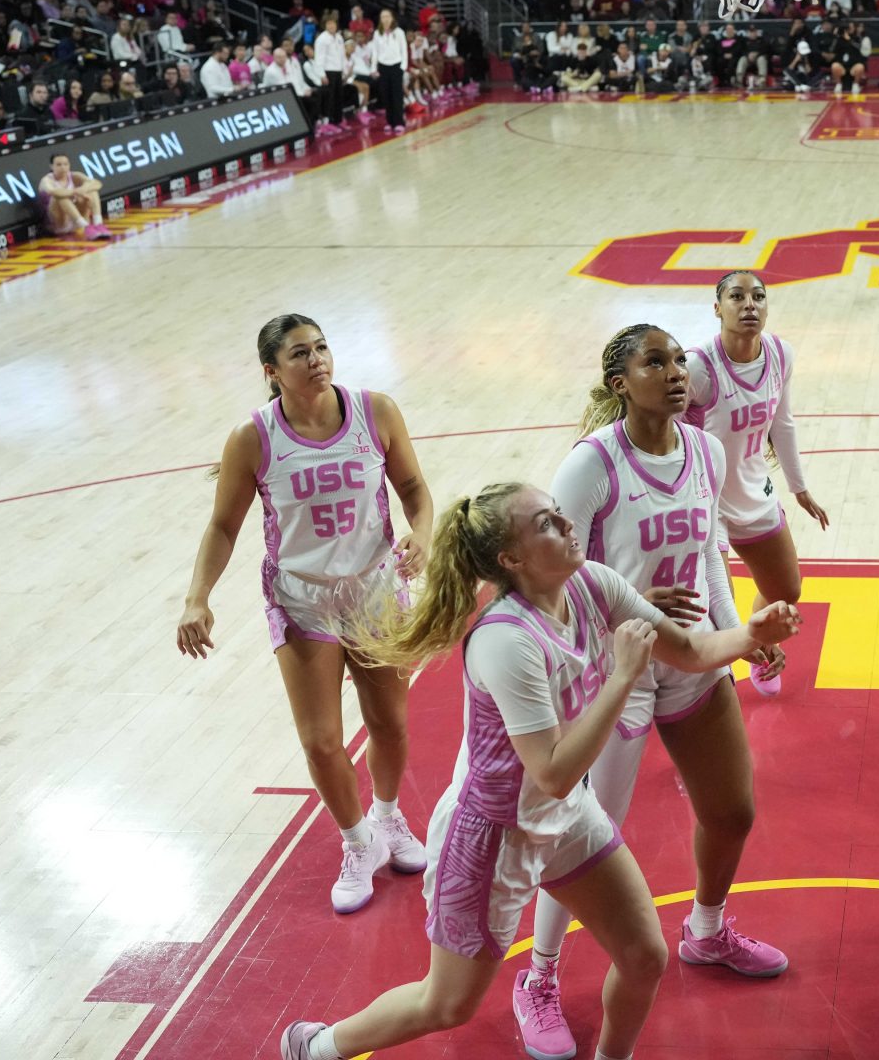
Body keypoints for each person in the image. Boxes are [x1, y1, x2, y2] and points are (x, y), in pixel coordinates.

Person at [279, 484, 799, 1060]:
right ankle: (318, 1048)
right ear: (512, 560)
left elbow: (690, 651)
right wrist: (623, 676)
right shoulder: (504, 640)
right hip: (492, 835)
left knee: (644, 957)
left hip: (566, 813)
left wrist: (751, 635)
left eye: (558, 513)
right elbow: (550, 770)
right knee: (446, 1005)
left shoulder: (593, 584)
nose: (568, 525)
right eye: (548, 523)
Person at [516, 324, 794, 1060]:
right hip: (619, 666)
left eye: (678, 361)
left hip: (694, 655)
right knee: (587, 833)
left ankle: (706, 931)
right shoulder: (590, 466)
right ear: (619, 383)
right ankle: (536, 978)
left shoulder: (703, 449)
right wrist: (631, 601)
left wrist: (738, 636)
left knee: (732, 811)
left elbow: (709, 556)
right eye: (655, 362)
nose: (676, 373)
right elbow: (550, 577)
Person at [176, 315, 436, 915]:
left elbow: (416, 489)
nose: (317, 359)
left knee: (389, 724)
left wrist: (421, 532)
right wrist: (198, 596)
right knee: (321, 741)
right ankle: (357, 841)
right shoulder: (254, 438)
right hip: (302, 598)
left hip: (374, 590)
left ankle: (389, 817)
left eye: (322, 347)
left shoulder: (376, 411)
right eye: (300, 353)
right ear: (272, 372)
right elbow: (223, 526)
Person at [683, 271, 827, 700]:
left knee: (787, 589)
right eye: (737, 296)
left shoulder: (780, 354)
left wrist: (799, 488)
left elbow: (782, 423)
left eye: (758, 296)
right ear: (717, 308)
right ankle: (722, 681)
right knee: (717, 610)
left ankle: (757, 641)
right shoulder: (697, 368)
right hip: (704, 500)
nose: (749, 304)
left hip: (751, 486)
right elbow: (667, 432)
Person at [38, 153, 111, 239]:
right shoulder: (46, 180)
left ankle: (98, 223)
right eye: (59, 165)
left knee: (92, 190)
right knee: (60, 196)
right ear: (51, 166)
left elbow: (97, 183)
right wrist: (75, 192)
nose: (63, 167)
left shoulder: (74, 176)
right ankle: (85, 226)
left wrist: (84, 188)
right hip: (60, 224)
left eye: (65, 164)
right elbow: (53, 192)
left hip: (76, 222)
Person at [313, 13, 350, 133]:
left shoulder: (339, 37)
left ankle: (338, 120)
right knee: (329, 98)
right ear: (325, 25)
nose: (331, 26)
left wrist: (345, 71)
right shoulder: (322, 39)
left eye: (333, 23)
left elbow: (342, 56)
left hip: (338, 70)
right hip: (328, 71)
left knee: (338, 97)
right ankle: (328, 122)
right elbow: (319, 58)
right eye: (328, 24)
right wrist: (322, 74)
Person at [375, 9, 410, 133]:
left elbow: (404, 49)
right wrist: (374, 68)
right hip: (383, 66)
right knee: (386, 94)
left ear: (392, 18)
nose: (385, 19)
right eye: (383, 16)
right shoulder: (377, 33)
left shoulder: (399, 32)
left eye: (387, 16)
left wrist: (403, 67)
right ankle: (390, 121)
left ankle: (399, 121)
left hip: (396, 65)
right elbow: (375, 51)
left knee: (397, 95)